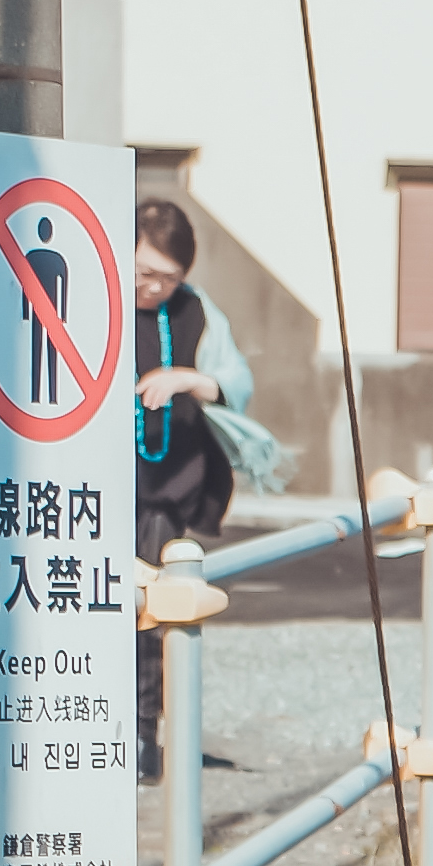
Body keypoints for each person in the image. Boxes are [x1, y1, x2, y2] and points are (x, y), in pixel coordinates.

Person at [130, 198, 244, 771]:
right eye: (145, 271)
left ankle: (144, 737)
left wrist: (186, 378)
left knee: (157, 613)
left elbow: (234, 382)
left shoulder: (196, 311)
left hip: (169, 485)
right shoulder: (95, 297)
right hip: (98, 486)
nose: (153, 287)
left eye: (168, 278)